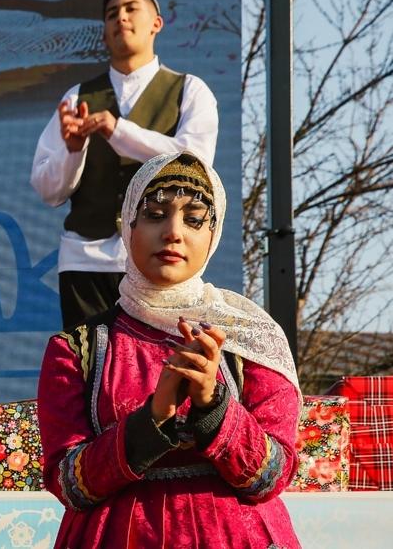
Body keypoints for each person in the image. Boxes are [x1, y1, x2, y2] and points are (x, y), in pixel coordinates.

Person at [37, 151, 301, 548]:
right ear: (127, 225)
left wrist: (213, 405)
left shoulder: (249, 338)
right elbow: (68, 484)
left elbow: (271, 477)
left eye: (193, 219)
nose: (173, 232)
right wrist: (153, 418)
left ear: (213, 235)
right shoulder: (77, 349)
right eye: (155, 215)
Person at [30, 0, 218, 330]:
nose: (121, 18)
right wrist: (73, 151)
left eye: (131, 9)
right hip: (86, 260)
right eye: (111, 14)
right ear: (104, 34)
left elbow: (196, 162)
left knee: (154, 362)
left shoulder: (189, 90)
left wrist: (117, 131)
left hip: (161, 257)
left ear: (156, 24)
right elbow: (48, 189)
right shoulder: (77, 97)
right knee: (88, 360)